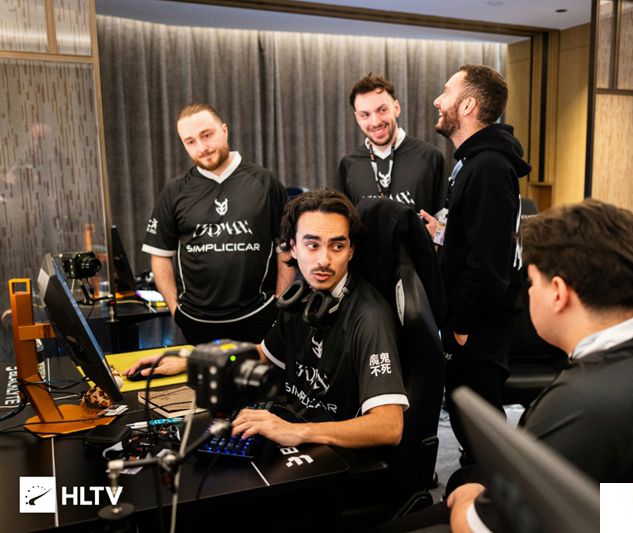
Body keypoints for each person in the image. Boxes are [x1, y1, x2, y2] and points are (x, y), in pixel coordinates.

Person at [446, 200, 633, 532]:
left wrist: (466, 497)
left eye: (532, 282)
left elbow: (475, 528)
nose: (530, 293)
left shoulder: (577, 402)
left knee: (461, 483)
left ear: (558, 292)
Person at [129, 189, 409, 449]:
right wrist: (193, 359)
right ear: (293, 248)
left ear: (351, 250)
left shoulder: (370, 317)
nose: (324, 260)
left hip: (335, 455)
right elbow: (264, 354)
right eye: (312, 245)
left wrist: (297, 431)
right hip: (295, 427)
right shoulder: (301, 298)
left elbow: (389, 427)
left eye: (337, 246)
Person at [421, 64, 530, 462]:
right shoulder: (474, 162)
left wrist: (462, 327)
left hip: (478, 323)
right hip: (470, 318)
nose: (438, 100)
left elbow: (489, 262)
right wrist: (441, 233)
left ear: (468, 105)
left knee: (477, 420)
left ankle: (490, 484)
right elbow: (475, 235)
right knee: (466, 414)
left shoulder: (488, 168)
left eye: (446, 92)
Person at [141, 103, 293, 345]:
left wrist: (280, 300)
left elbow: (285, 246)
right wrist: (175, 310)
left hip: (258, 316)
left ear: (224, 130)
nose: (201, 148)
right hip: (195, 321)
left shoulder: (265, 182)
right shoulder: (174, 190)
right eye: (190, 141)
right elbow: (160, 254)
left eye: (206, 135)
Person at [336, 74, 448, 214]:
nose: (375, 122)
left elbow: (445, 219)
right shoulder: (348, 165)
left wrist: (438, 226)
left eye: (382, 110)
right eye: (365, 115)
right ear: (357, 118)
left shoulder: (430, 157)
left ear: (396, 108)